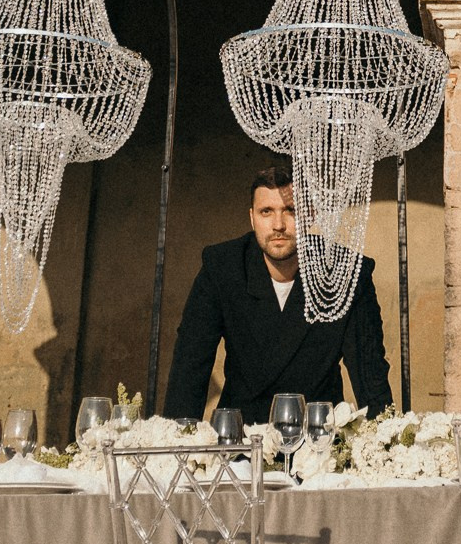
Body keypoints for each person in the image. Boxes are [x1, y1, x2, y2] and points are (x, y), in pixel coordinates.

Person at [162, 164, 395, 421]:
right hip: (242, 438)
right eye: (266, 212)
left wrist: (383, 449)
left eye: (290, 211)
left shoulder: (345, 272)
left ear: (310, 215)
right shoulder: (223, 268)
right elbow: (190, 367)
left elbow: (370, 375)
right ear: (252, 217)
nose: (278, 225)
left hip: (318, 437)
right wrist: (181, 450)